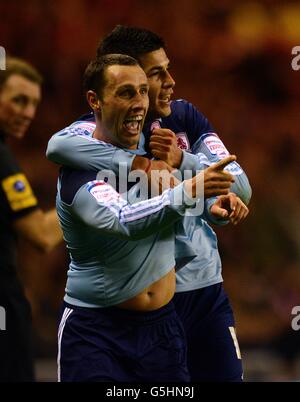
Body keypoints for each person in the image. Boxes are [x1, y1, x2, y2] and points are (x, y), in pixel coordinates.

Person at [47, 26, 251, 381]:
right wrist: (141, 164)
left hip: (198, 293)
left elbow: (238, 185)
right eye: (155, 74)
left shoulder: (184, 117)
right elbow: (57, 147)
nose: (170, 81)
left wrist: (189, 171)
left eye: (147, 85)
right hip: (114, 308)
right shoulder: (92, 138)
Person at [0, 57, 63, 382]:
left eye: (34, 103)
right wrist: (94, 197)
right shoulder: (2, 161)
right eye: (19, 100)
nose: (28, 112)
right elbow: (41, 235)